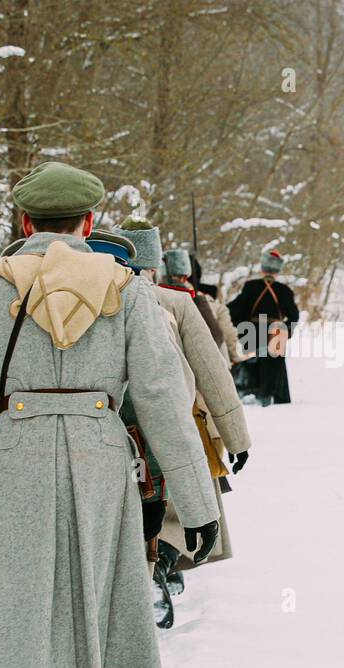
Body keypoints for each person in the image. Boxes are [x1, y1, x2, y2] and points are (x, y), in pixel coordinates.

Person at [0, 161, 220, 668]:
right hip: (103, 467)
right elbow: (164, 404)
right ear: (89, 224)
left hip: (14, 467)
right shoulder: (129, 290)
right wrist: (200, 507)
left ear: (26, 224)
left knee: (13, 611)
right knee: (101, 606)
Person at [118, 231, 253, 625]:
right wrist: (236, 438)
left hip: (113, 431)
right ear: (155, 263)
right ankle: (159, 569)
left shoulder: (100, 296)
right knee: (179, 511)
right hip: (177, 427)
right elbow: (213, 374)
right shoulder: (178, 302)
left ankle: (149, 575)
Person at [228, 249, 300, 405]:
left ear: (262, 268)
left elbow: (236, 309)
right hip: (277, 331)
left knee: (253, 361)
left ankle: (254, 392)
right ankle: (275, 395)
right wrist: (286, 330)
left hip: (252, 329)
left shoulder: (250, 286)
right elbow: (294, 315)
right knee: (275, 365)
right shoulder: (285, 291)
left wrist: (239, 326)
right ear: (277, 271)